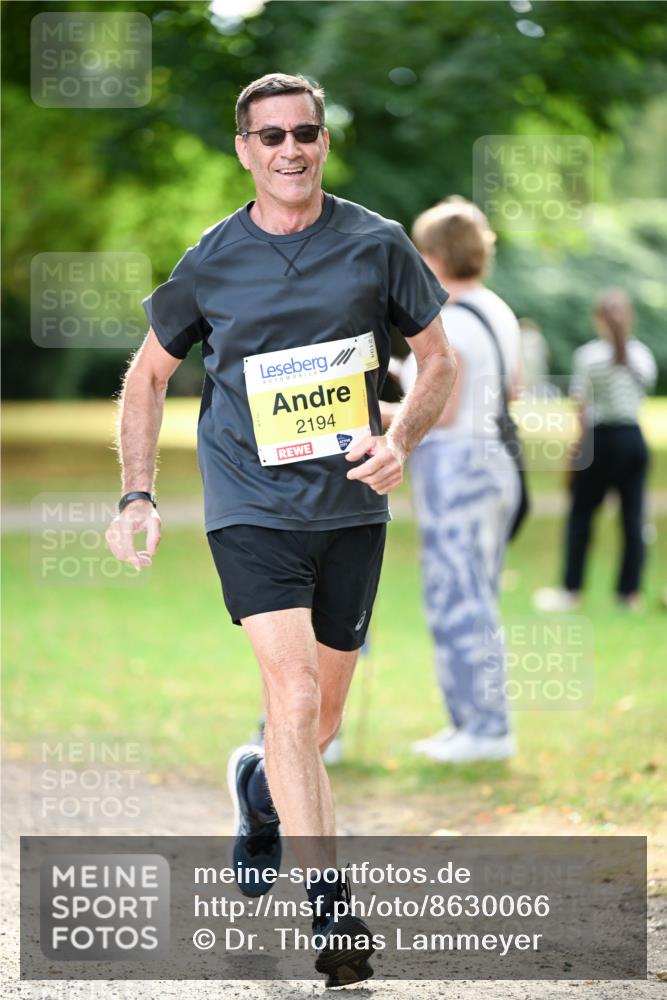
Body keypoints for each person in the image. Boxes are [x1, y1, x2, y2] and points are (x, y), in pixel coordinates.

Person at [105, 73, 456, 985]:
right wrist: (136, 496)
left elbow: (437, 361)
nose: (289, 149)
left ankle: (259, 790)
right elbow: (147, 378)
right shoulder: (211, 259)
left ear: (324, 142)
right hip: (248, 505)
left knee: (321, 718)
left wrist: (400, 440)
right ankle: (332, 915)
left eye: (304, 132)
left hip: (348, 504)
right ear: (244, 150)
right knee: (294, 700)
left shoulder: (376, 245)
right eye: (270, 136)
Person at [386, 197, 521, 764]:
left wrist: (373, 410)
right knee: (470, 594)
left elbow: (438, 411)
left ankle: (485, 729)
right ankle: (467, 721)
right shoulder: (495, 309)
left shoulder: (454, 322)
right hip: (492, 460)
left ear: (435, 255)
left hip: (458, 465)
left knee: (460, 601)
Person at [534, 288, 657, 613]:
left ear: (599, 319)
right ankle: (629, 594)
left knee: (581, 517)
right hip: (632, 439)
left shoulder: (589, 357)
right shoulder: (642, 355)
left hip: (599, 440)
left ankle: (572, 590)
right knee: (633, 520)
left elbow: (581, 406)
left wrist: (577, 449)